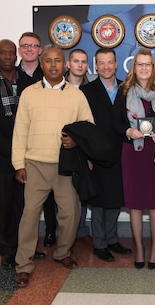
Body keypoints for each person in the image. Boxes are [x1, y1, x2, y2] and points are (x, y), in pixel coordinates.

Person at [12, 45, 95, 288]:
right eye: (48, 60)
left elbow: (88, 127)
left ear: (65, 64)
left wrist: (77, 141)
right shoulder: (29, 93)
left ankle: (62, 252)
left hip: (66, 166)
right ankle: (24, 265)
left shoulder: (77, 95)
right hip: (35, 164)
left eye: (57, 60)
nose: (53, 65)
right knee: (29, 216)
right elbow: (20, 131)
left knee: (71, 213)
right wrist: (19, 164)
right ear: (42, 63)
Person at [0, 39, 46, 269]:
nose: (7, 57)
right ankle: (6, 250)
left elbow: (37, 116)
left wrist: (25, 149)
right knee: (4, 206)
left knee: (27, 205)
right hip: (1, 156)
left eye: (11, 54)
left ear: (16, 56)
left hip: (28, 154)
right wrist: (12, 149)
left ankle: (25, 247)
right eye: (2, 53)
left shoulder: (28, 81)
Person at [80, 48, 132, 262]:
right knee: (99, 202)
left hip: (122, 152)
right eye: (101, 63)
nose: (106, 66)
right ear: (96, 65)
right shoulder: (87, 91)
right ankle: (99, 244)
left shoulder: (126, 88)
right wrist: (86, 156)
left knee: (115, 200)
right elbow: (83, 125)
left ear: (116, 64)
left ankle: (112, 240)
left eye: (110, 62)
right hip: (97, 153)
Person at [121, 48, 155, 269]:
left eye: (148, 64)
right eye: (140, 64)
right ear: (134, 67)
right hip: (133, 153)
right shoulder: (124, 93)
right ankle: (139, 247)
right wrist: (129, 132)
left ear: (153, 67)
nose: (144, 68)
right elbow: (117, 123)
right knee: (136, 206)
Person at [16, 32, 58, 248]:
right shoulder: (14, 78)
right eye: (25, 45)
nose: (29, 49)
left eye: (33, 45)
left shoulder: (68, 90)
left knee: (61, 208)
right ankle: (23, 255)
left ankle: (53, 236)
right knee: (28, 210)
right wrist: (19, 162)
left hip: (58, 157)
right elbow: (20, 127)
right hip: (30, 157)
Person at [64, 48, 92, 248]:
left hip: (83, 146)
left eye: (83, 62)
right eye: (76, 61)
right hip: (61, 146)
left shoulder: (91, 89)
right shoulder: (57, 86)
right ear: (68, 64)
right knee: (62, 195)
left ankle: (81, 231)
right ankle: (62, 235)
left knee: (82, 190)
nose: (80, 65)